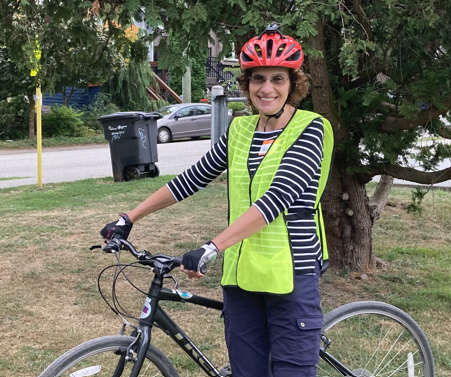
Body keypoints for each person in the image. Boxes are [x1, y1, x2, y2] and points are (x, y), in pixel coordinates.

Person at [101, 23, 334, 377]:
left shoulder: (311, 128)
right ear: (247, 84)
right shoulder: (240, 129)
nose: (267, 88)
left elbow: (277, 198)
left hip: (292, 276)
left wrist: (211, 247)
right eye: (258, 79)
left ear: (294, 84)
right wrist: (129, 217)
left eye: (278, 79)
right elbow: (193, 178)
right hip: (241, 278)